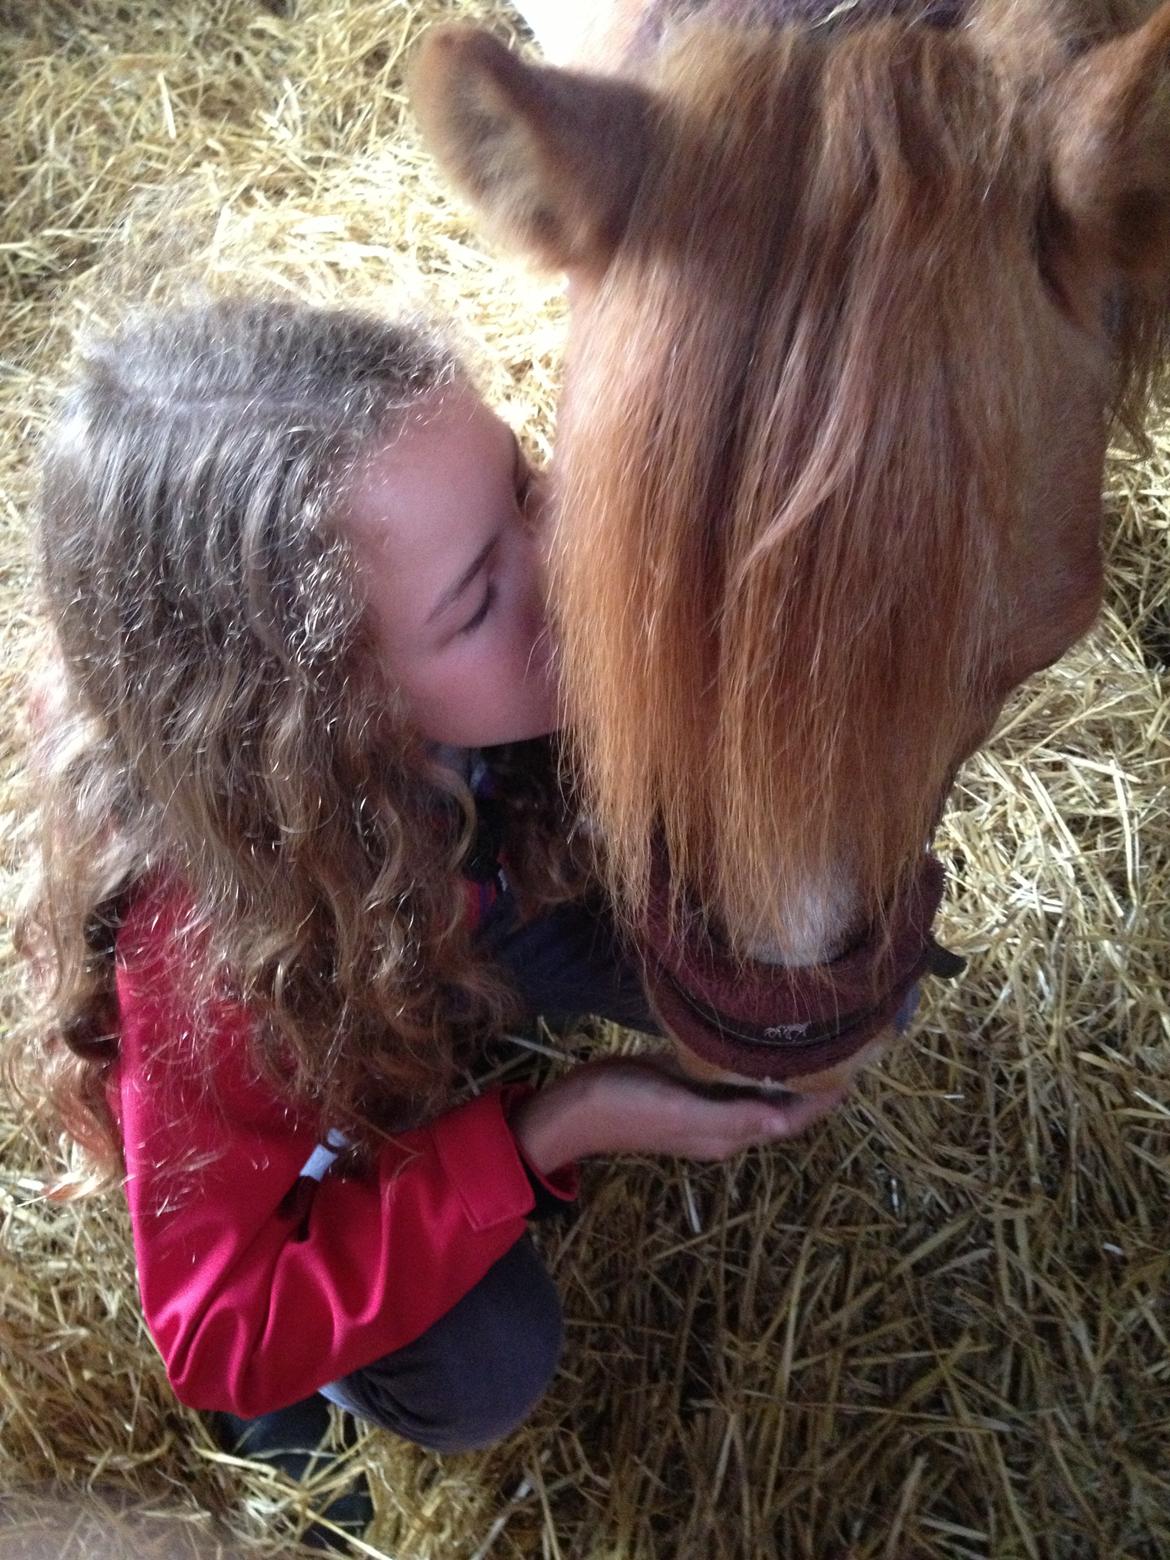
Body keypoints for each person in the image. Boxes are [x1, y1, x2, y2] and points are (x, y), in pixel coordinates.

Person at [19, 297, 844, 1546]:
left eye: (523, 488)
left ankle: (456, 1014)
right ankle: (314, 1416)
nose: (563, 574)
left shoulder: (499, 666)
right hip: (325, 1042)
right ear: (323, 712)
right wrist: (552, 1128)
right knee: (482, 1368)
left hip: (446, 911)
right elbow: (212, 1330)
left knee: (725, 921)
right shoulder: (203, 962)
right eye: (475, 601)